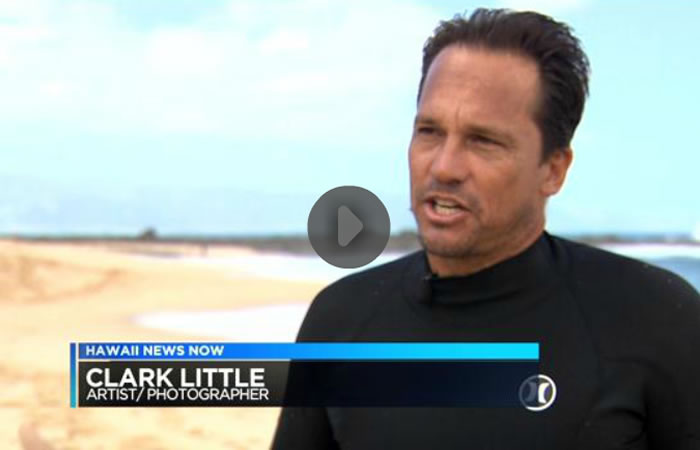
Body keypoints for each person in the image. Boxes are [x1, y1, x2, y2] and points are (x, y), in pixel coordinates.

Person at [272, 8, 700, 450]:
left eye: (483, 141)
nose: (444, 166)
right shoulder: (341, 322)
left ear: (554, 169)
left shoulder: (656, 321)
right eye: (430, 131)